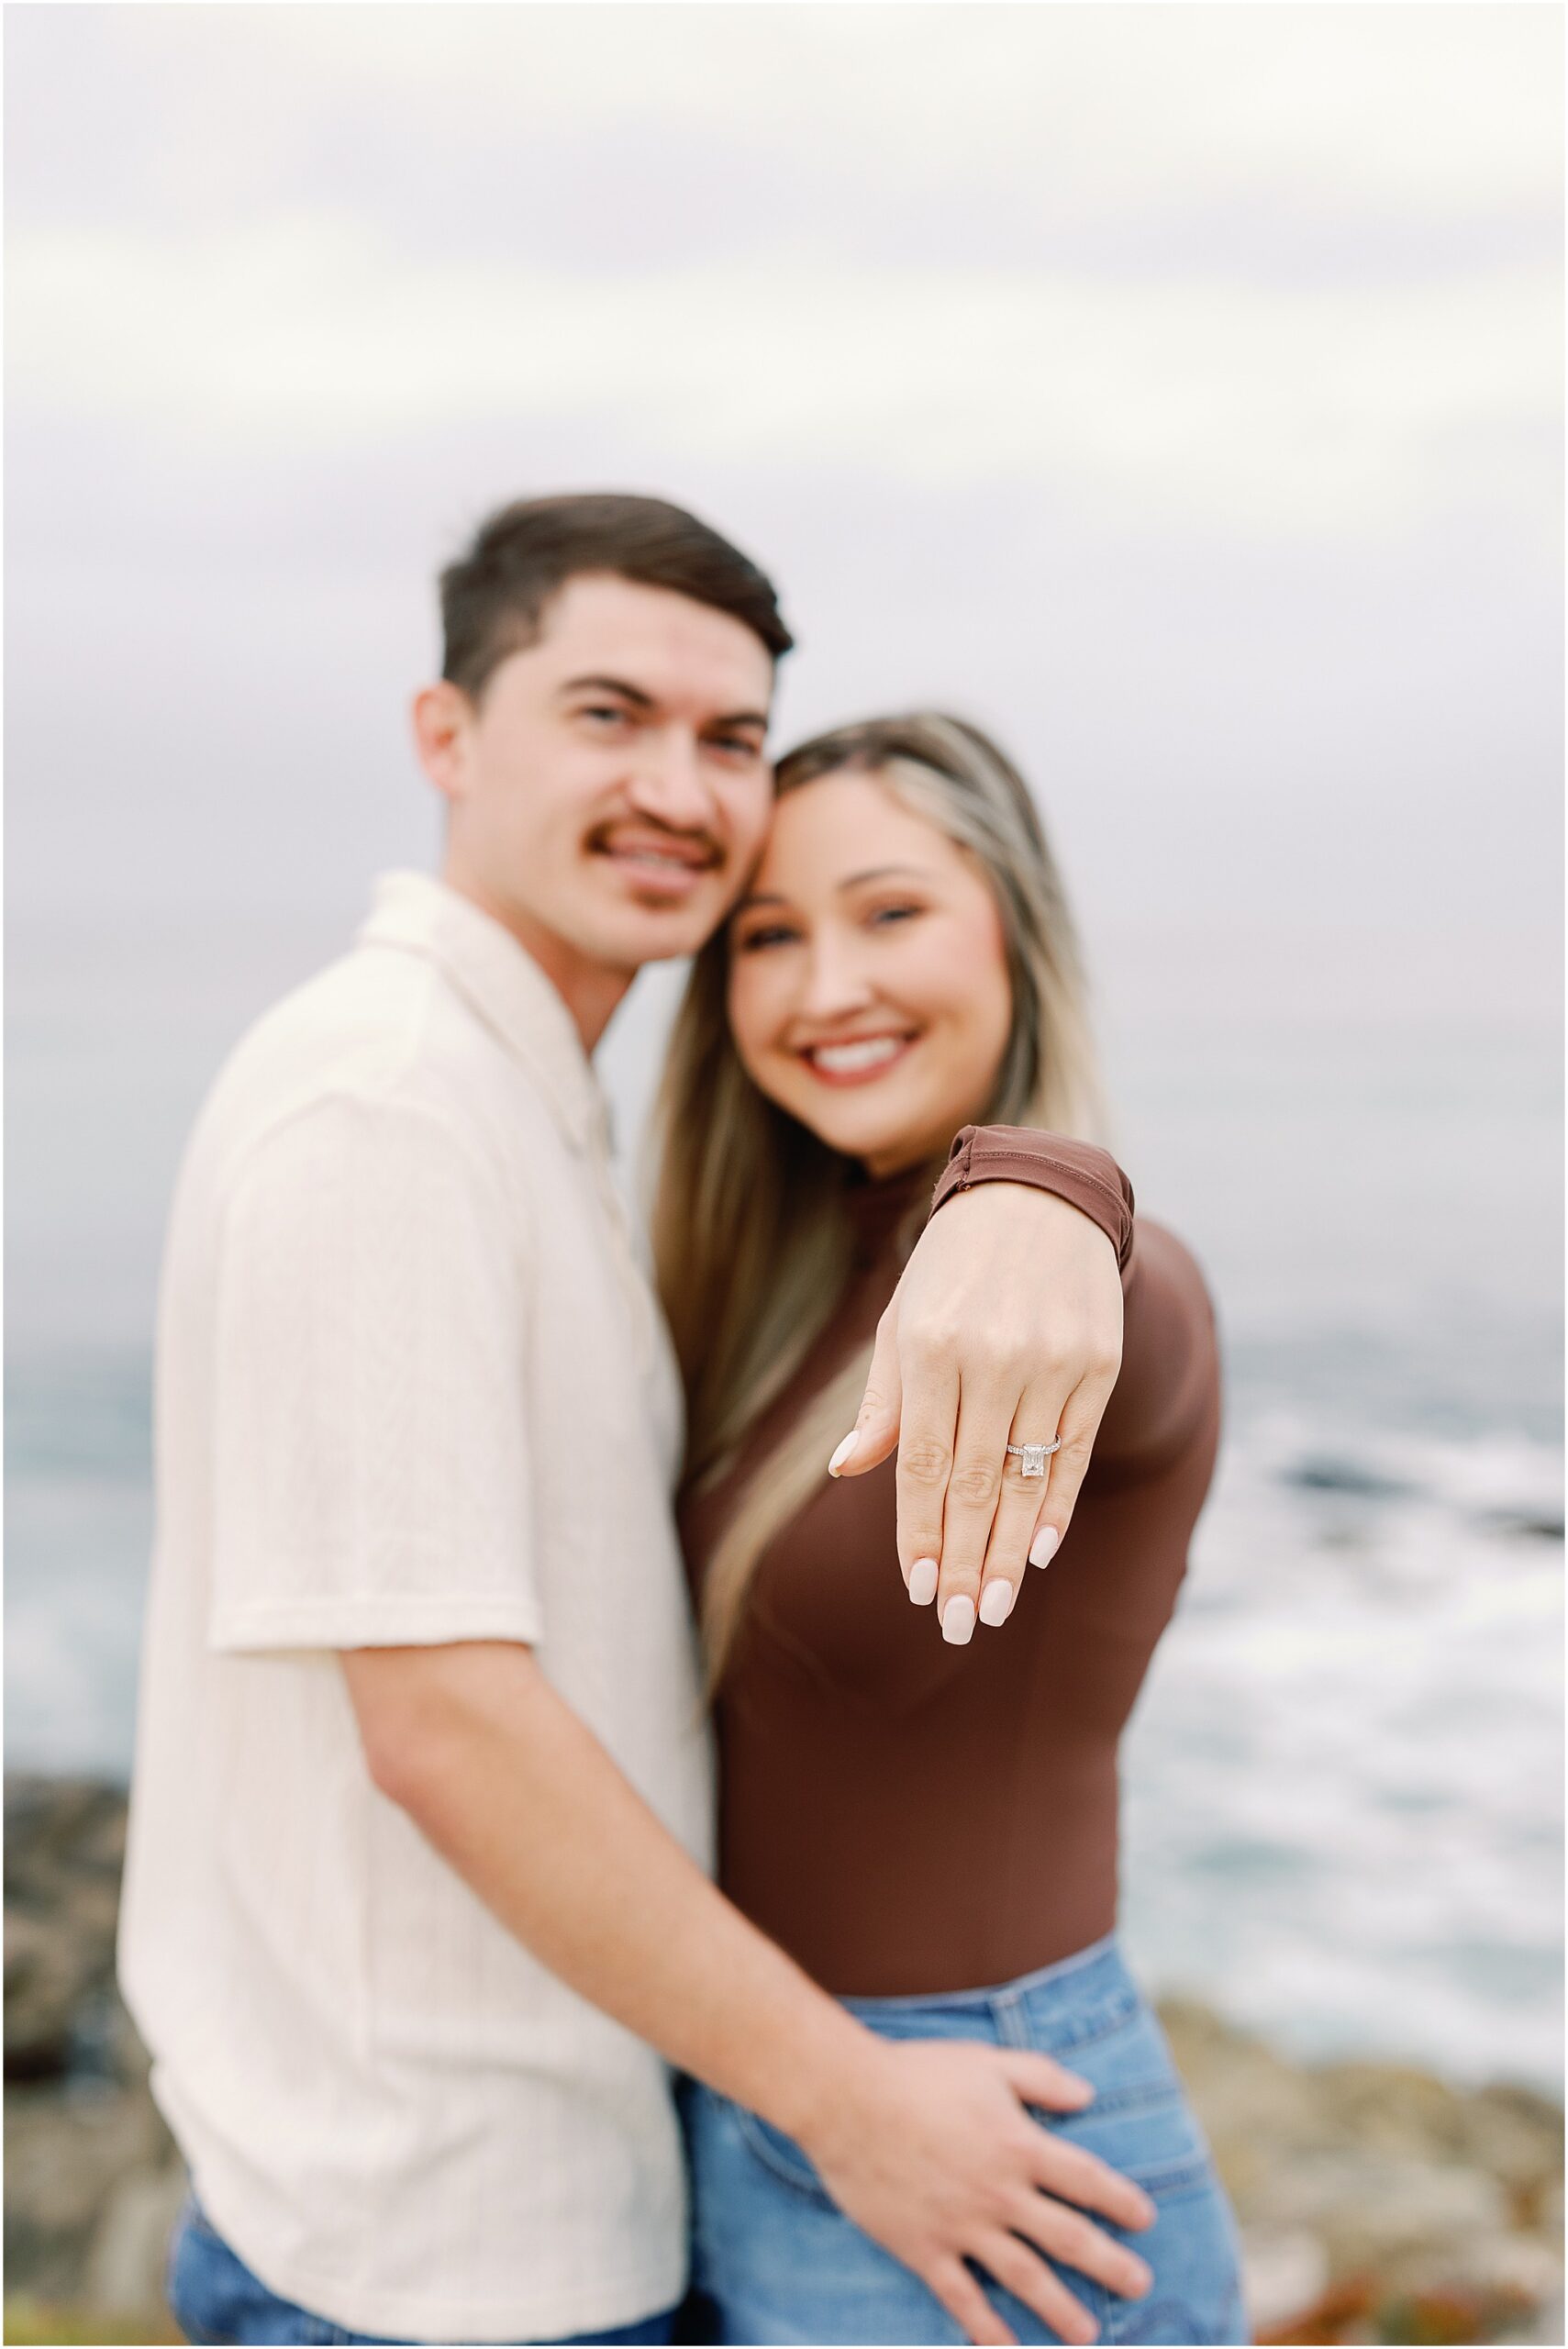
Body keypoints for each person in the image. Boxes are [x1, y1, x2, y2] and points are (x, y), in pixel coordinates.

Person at [118, 495, 1162, 2349]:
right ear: (449, 734)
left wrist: (1049, 1181)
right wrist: (847, 2101)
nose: (680, 786)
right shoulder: (391, 1104)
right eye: (609, 714)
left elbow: (1104, 1303)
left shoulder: (542, 1116)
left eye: (730, 737)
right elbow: (445, 1719)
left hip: (569, 2199)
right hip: (432, 2253)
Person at [661, 714, 1249, 2344]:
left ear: (1014, 925)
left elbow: (1126, 1305)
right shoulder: (776, 1298)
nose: (823, 984)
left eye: (890, 911)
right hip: (787, 2121)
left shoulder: (1083, 1297)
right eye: (767, 937)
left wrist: (1048, 1196)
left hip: (995, 2160)